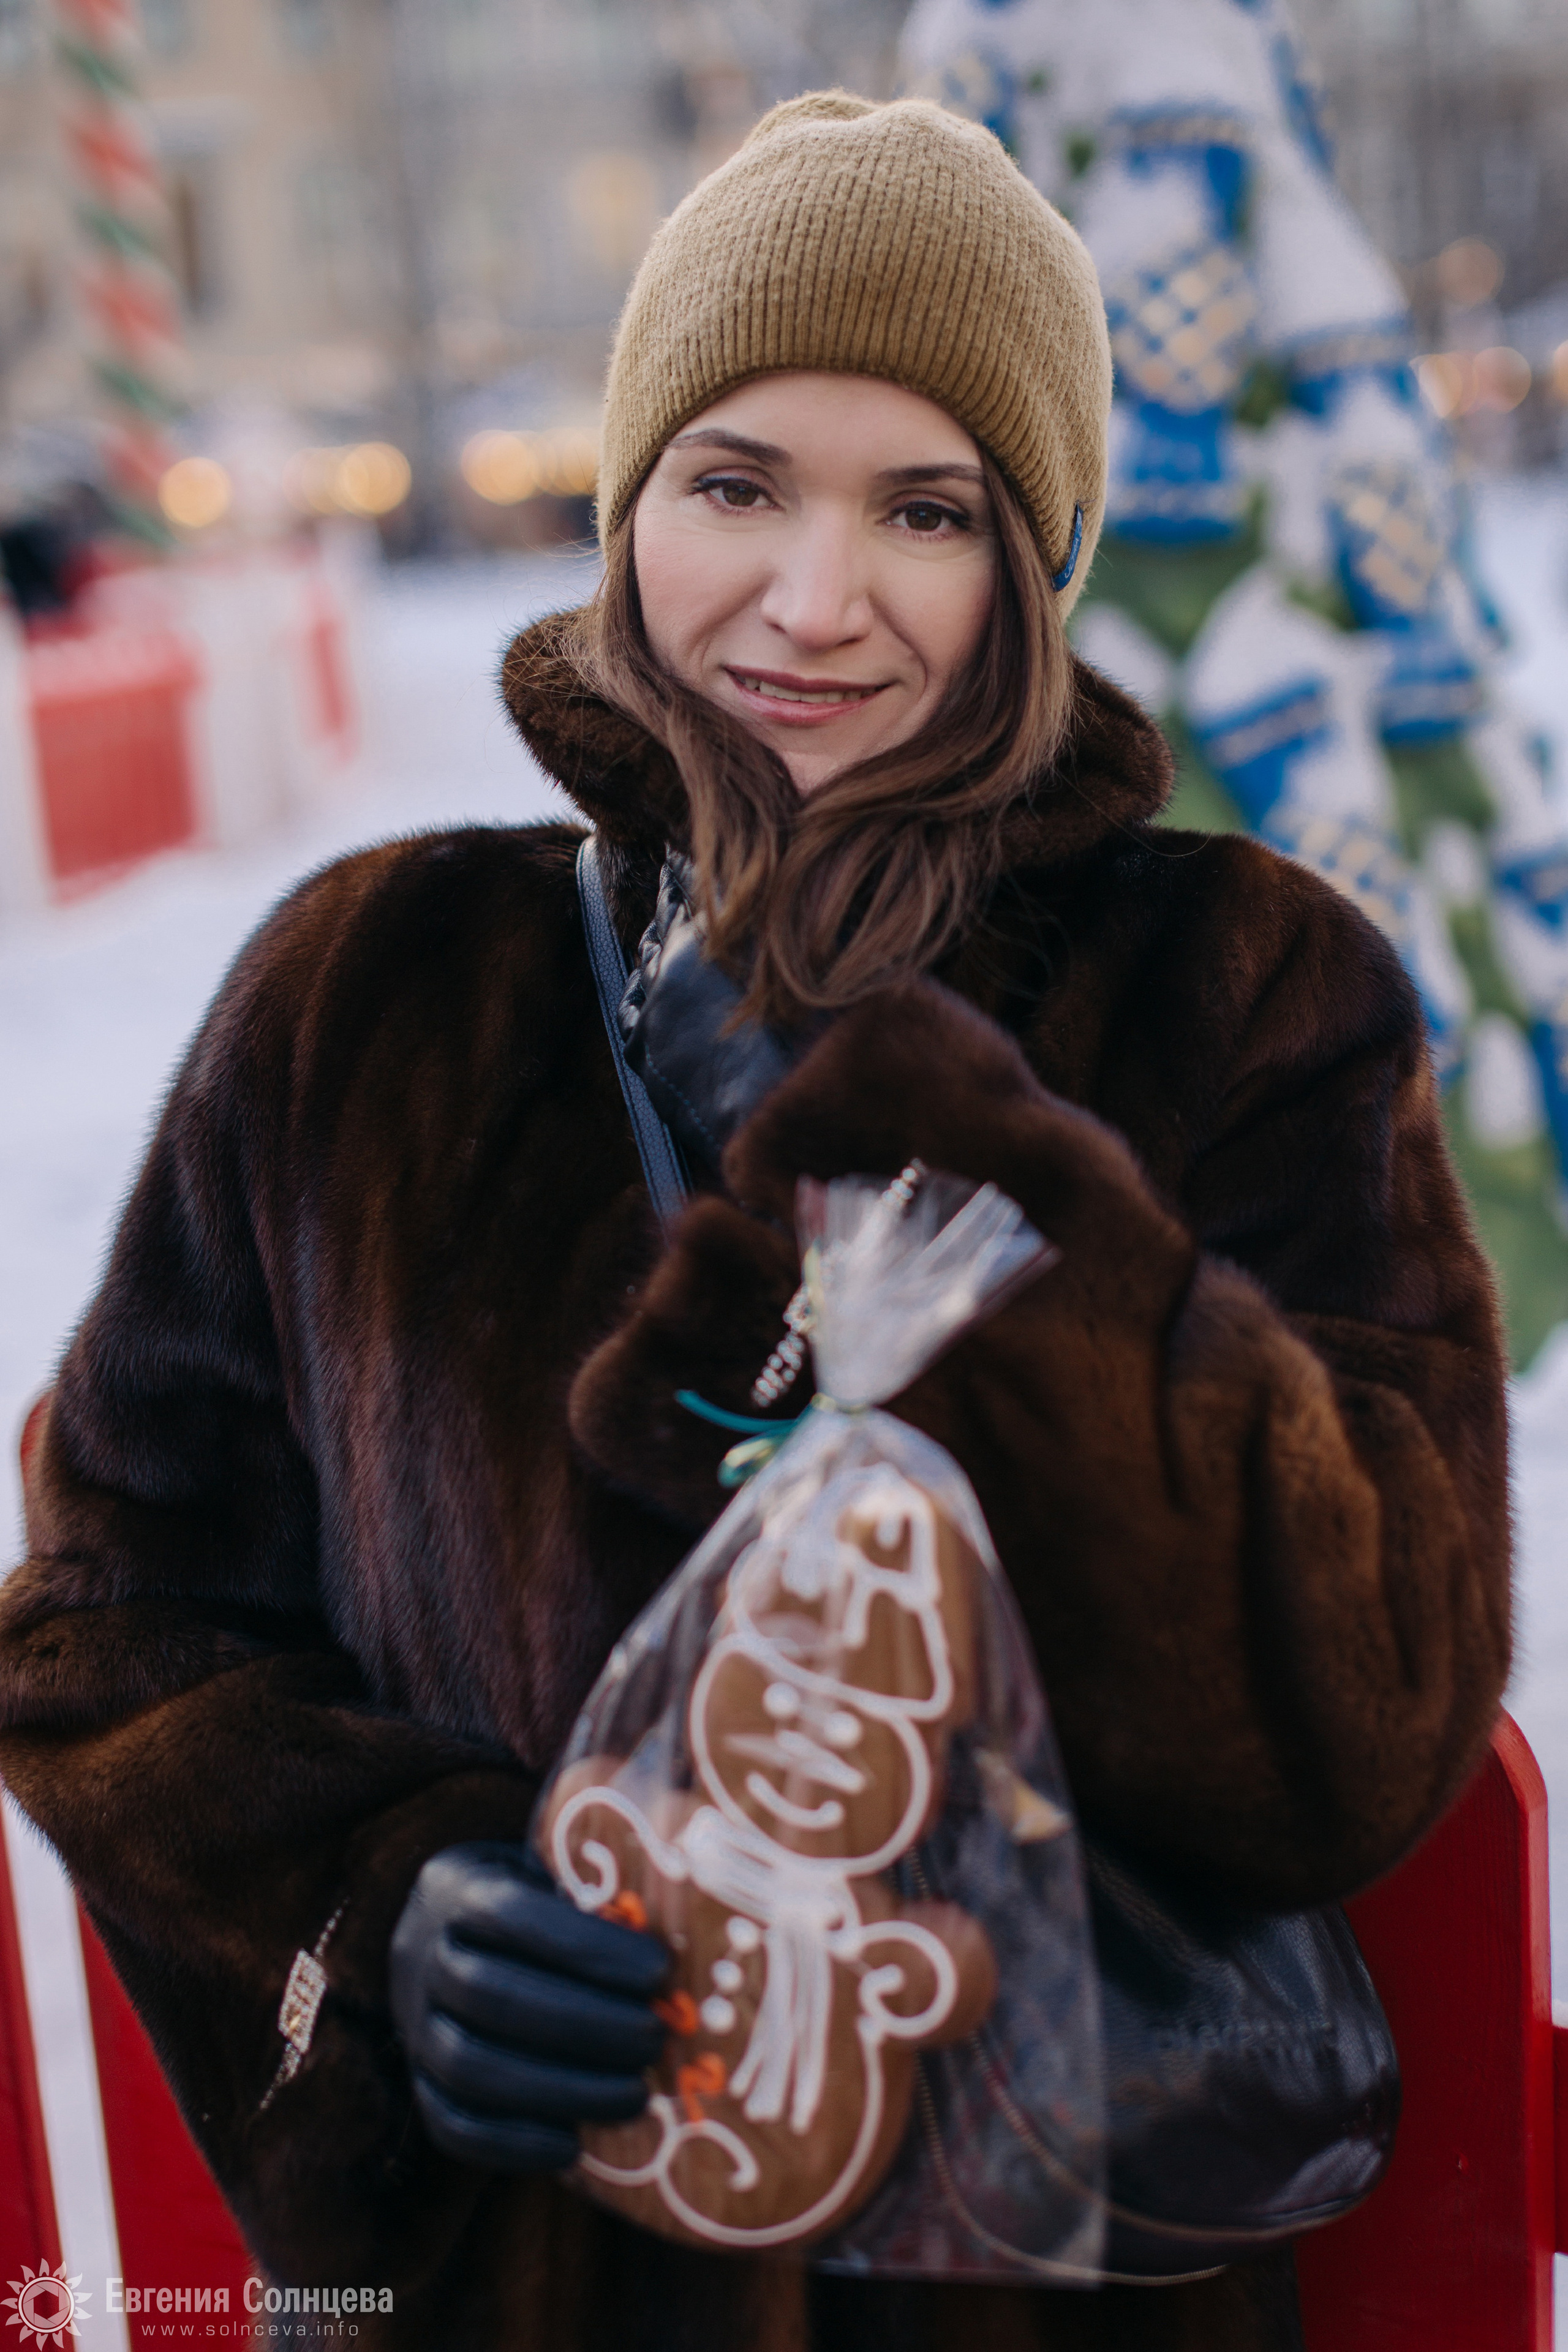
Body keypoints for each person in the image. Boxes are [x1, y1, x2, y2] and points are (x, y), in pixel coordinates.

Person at [0, 91, 1509, 2352]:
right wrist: (376, 1902)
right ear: (626, 517)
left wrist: (907, 1161)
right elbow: (111, 1621)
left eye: (926, 509)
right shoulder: (369, 994)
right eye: (735, 486)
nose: (814, 603)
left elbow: (1364, 1713)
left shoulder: (1246, 995)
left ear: (1039, 561)